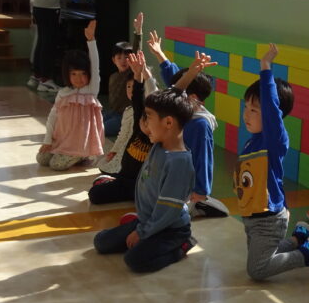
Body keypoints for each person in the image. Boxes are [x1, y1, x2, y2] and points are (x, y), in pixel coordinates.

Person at [93, 54, 212, 273]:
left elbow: (167, 211)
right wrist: (191, 73)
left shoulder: (178, 163)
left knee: (135, 260)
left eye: (148, 117)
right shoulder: (159, 142)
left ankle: (182, 245)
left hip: (170, 228)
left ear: (168, 123)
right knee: (101, 242)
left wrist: (142, 233)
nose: (144, 123)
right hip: (149, 220)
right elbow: (173, 95)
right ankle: (143, 230)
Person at [237, 43, 309, 280]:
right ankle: (299, 239)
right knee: (260, 256)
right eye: (246, 107)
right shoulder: (253, 141)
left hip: (268, 219)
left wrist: (265, 67)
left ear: (273, 115)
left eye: (254, 110)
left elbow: (271, 109)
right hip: (253, 217)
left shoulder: (274, 139)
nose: (246, 114)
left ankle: (308, 254)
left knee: (257, 270)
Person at [148, 30, 229, 217]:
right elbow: (174, 82)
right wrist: (160, 54)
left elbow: (203, 159)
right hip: (174, 173)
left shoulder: (200, 124)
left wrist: (201, 191)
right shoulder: (183, 106)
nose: (173, 93)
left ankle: (203, 204)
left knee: (168, 214)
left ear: (191, 98)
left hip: (188, 187)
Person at [88, 49, 160, 206]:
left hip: (141, 186)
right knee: (95, 193)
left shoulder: (157, 142)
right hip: (123, 178)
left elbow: (152, 96)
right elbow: (137, 98)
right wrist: (138, 74)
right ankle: (109, 181)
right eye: (144, 119)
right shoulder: (137, 125)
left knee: (144, 201)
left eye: (150, 121)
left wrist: (146, 75)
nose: (146, 123)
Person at [36, 20, 105, 171]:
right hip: (63, 140)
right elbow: (52, 117)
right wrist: (47, 140)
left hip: (80, 143)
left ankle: (82, 155)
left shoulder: (91, 90)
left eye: (83, 74)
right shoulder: (63, 93)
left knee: (56, 165)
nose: (79, 78)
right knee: (42, 159)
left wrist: (91, 41)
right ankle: (73, 155)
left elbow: (95, 65)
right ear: (67, 74)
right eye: (74, 74)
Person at [103, 13, 144, 139]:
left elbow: (136, 52)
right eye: (119, 57)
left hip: (125, 116)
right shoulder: (113, 76)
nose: (123, 61)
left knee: (101, 129)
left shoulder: (130, 74)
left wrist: (138, 33)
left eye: (126, 57)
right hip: (114, 112)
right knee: (94, 122)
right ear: (113, 60)